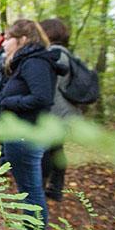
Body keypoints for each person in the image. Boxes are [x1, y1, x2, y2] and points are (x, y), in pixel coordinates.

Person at [0, 19, 66, 230]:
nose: (4, 44)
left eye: (8, 38)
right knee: (27, 188)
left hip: (27, 134)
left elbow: (42, 98)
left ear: (23, 40)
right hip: (20, 133)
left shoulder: (34, 62)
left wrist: (8, 101)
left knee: (31, 188)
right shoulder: (26, 62)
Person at [39, 18, 80, 201]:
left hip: (56, 112)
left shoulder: (54, 54)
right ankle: (55, 189)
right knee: (56, 148)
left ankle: (42, 187)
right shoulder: (66, 53)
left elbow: (51, 87)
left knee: (47, 150)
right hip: (66, 111)